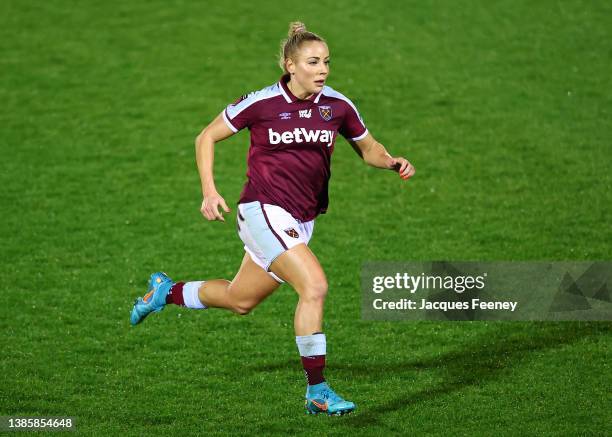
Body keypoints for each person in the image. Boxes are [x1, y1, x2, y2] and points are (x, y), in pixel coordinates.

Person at [130, 21, 415, 416]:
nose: (323, 70)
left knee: (239, 299)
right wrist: (209, 190)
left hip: (301, 220)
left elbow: (368, 148)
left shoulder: (337, 105)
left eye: (327, 62)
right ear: (290, 64)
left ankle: (164, 292)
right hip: (262, 210)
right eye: (313, 62)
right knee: (314, 286)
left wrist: (391, 161)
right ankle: (317, 391)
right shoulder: (262, 103)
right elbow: (205, 137)